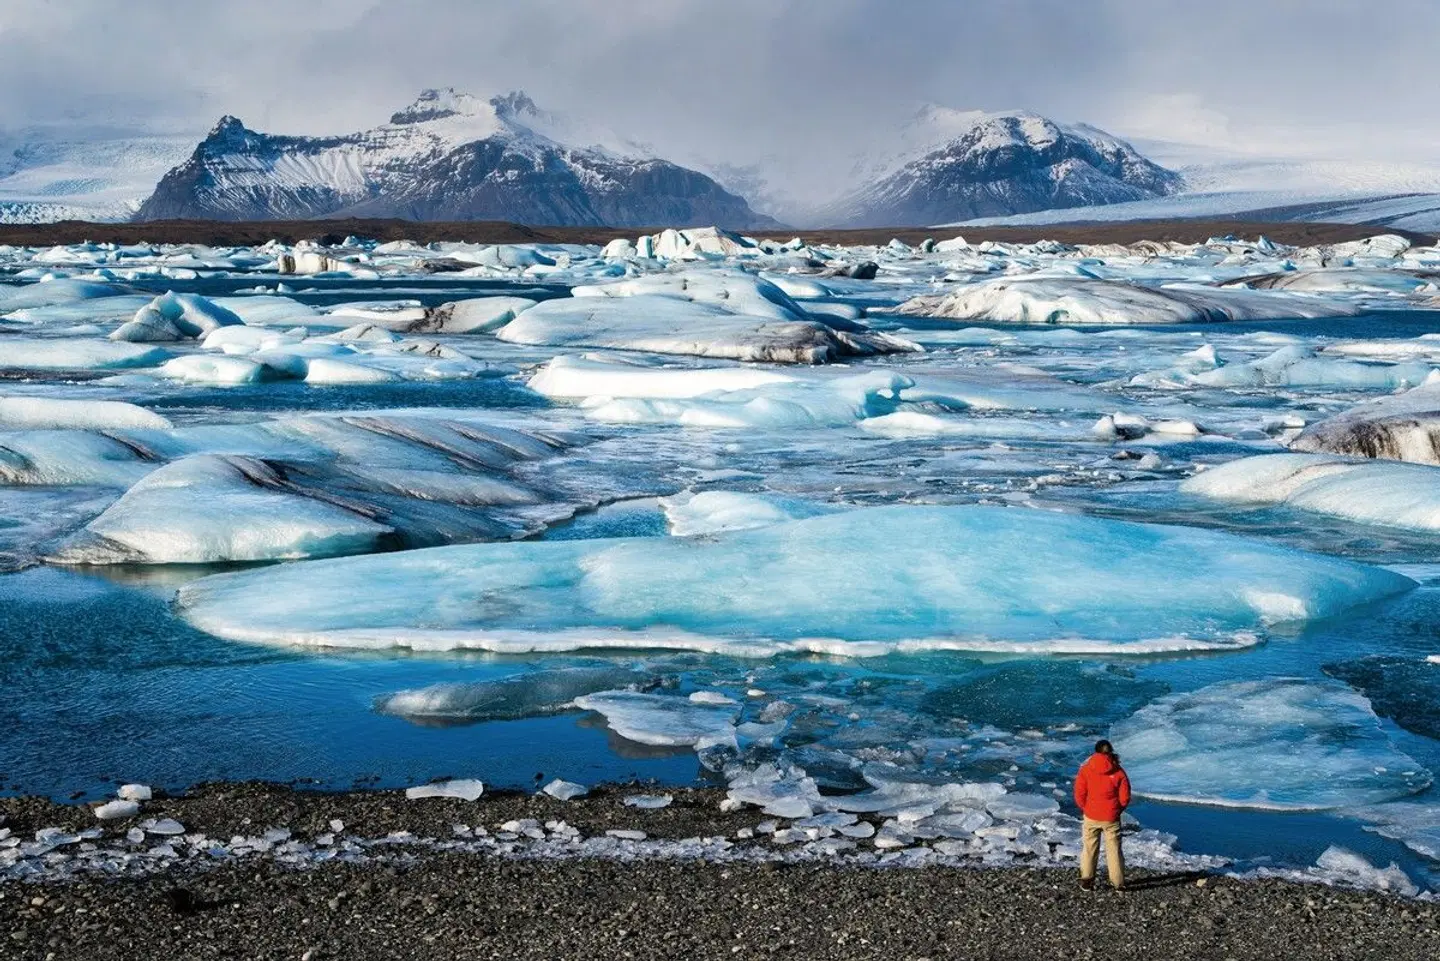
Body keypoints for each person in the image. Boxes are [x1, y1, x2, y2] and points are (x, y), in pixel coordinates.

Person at [1073, 739, 1131, 891]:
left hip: (1091, 815)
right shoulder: (1118, 771)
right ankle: (1118, 884)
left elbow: (1079, 793)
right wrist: (1117, 810)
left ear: (1096, 751)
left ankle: (1087, 880)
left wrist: (1086, 808)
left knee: (1089, 848)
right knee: (1114, 851)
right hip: (1111, 817)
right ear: (1111, 751)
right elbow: (1125, 797)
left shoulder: (1085, 769)